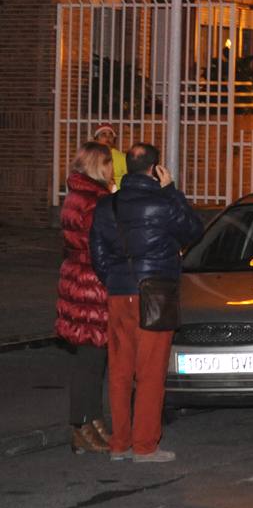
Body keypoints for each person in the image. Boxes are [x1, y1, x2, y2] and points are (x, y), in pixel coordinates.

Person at [89, 143, 203, 463]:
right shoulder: (163, 202)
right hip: (155, 293)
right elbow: (193, 229)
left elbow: (97, 252)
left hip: (118, 293)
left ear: (127, 166)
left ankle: (119, 443)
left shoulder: (107, 205)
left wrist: (115, 279)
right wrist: (172, 191)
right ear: (155, 169)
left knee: (120, 371)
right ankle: (144, 446)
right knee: (150, 372)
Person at [57, 141, 115, 454]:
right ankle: (82, 424)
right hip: (92, 284)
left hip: (77, 280)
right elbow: (103, 243)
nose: (112, 169)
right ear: (97, 165)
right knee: (91, 360)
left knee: (91, 357)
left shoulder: (76, 195)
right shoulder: (96, 200)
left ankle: (92, 420)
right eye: (108, 163)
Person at [92, 122, 127, 189]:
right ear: (96, 139)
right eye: (103, 135)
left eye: (111, 135)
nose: (108, 138)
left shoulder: (123, 157)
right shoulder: (91, 157)